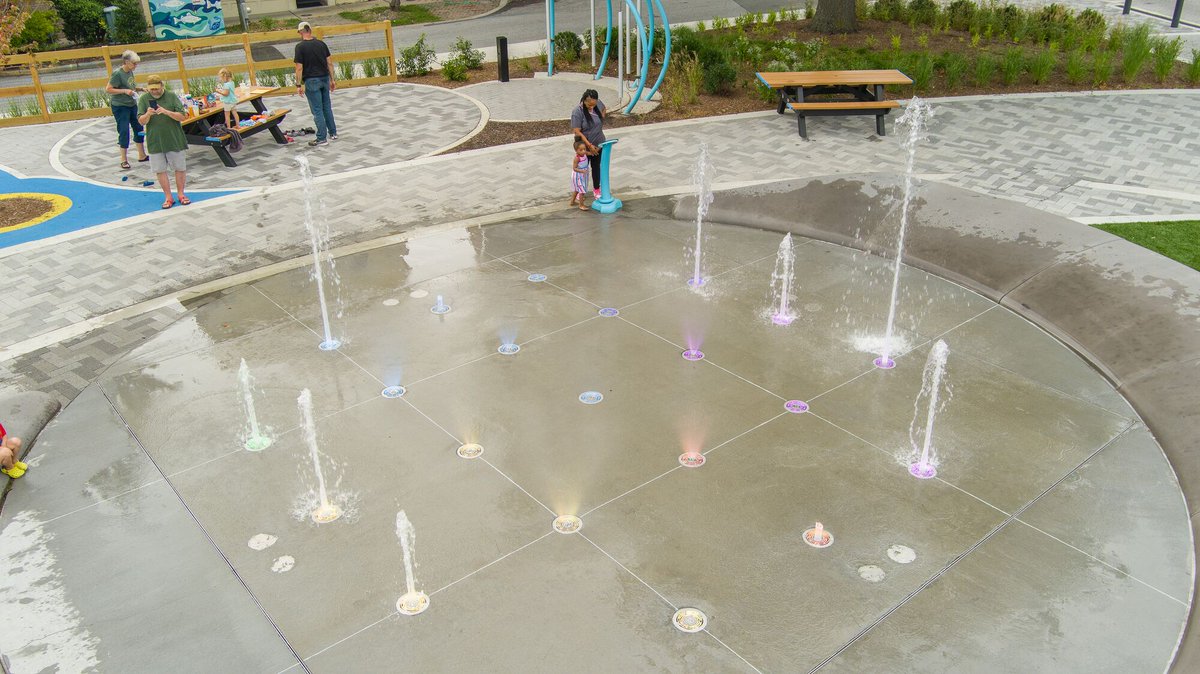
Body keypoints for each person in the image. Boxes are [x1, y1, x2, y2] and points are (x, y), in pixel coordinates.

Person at [137, 75, 190, 210]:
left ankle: (181, 194)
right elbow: (141, 121)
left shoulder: (171, 96)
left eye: (156, 88)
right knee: (160, 170)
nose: (154, 91)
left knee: (179, 167)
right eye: (151, 89)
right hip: (155, 140)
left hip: (174, 138)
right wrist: (148, 114)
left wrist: (166, 112)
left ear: (162, 86)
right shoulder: (144, 99)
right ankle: (168, 197)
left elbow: (182, 116)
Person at [293, 21, 338, 147]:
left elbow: (299, 68)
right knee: (327, 107)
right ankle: (333, 133)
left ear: (301, 32)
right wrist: (332, 79)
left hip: (311, 81)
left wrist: (298, 85)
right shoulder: (321, 44)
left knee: (317, 110)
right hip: (324, 78)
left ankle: (321, 138)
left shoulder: (300, 47)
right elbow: (329, 63)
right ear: (310, 30)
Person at [105, 50, 149, 170]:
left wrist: (140, 89)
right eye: (134, 63)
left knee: (138, 127)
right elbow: (109, 89)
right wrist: (124, 91)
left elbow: (130, 86)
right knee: (124, 130)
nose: (136, 66)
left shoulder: (130, 72)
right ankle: (123, 159)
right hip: (120, 106)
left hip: (131, 104)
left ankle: (142, 154)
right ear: (126, 62)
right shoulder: (117, 74)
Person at [570, 89, 607, 197]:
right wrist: (589, 146)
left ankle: (596, 189)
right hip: (584, 147)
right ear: (585, 101)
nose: (592, 107)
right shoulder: (577, 111)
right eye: (590, 105)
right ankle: (579, 191)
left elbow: (604, 108)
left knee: (596, 167)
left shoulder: (597, 103)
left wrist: (601, 119)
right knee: (582, 168)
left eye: (594, 105)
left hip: (599, 143)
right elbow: (577, 131)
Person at [569, 140, 590, 210]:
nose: (583, 151)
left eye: (584, 149)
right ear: (576, 150)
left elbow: (591, 153)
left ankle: (572, 201)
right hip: (578, 176)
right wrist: (581, 170)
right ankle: (581, 205)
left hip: (583, 174)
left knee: (577, 189)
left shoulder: (585, 154)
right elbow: (574, 168)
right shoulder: (577, 158)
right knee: (581, 190)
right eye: (581, 150)